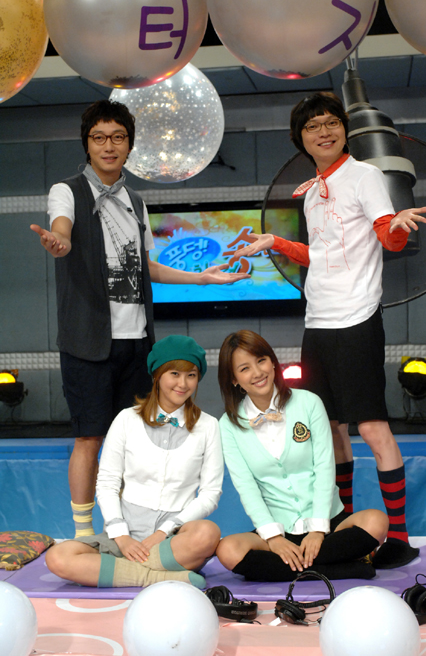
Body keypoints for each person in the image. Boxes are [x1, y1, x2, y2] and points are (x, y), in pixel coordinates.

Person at [230, 92, 426, 569]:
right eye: (313, 126)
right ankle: (343, 526)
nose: (324, 131)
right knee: (331, 429)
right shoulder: (312, 190)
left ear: (344, 129)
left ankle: (399, 538)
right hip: (317, 321)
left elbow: (386, 236)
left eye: (331, 122)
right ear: (300, 139)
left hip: (356, 317)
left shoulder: (365, 175)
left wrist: (399, 226)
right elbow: (321, 254)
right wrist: (276, 242)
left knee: (372, 427)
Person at [30, 100, 247, 538]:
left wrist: (201, 278)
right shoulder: (66, 191)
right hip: (88, 341)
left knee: (137, 443)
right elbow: (63, 230)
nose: (108, 146)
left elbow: (146, 267)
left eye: (118, 137)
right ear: (87, 144)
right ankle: (84, 534)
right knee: (89, 438)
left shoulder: (135, 201)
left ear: (129, 146)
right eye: (99, 138)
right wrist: (60, 242)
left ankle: (133, 531)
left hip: (137, 342)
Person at [46, 335, 223, 589]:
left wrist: (164, 531)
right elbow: (107, 483)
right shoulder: (126, 419)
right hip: (123, 535)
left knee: (208, 533)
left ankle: (125, 572)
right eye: (174, 373)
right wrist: (121, 535)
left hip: (174, 539)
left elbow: (210, 494)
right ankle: (156, 576)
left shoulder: (209, 426)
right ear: (157, 375)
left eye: (191, 375)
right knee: (58, 557)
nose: (183, 384)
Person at [216, 330, 388, 582]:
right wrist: (273, 538)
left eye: (261, 360)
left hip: (327, 521)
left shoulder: (309, 402)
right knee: (228, 550)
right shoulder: (228, 424)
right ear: (233, 379)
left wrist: (317, 530)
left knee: (377, 522)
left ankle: (294, 570)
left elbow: (325, 467)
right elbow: (246, 486)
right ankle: (335, 569)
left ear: (272, 362)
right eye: (245, 368)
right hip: (278, 530)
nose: (257, 372)